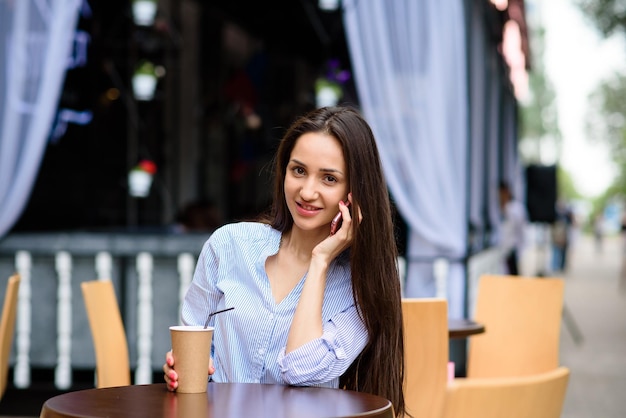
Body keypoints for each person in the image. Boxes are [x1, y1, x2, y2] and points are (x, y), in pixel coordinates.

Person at [162, 106, 407, 416]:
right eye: (299, 170)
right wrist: (179, 369)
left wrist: (320, 261)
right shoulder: (228, 246)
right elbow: (193, 340)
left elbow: (301, 369)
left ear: (355, 193)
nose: (307, 191)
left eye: (329, 179)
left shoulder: (363, 290)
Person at [498, 181, 528, 275]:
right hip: (506, 250)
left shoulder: (515, 209)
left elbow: (520, 230)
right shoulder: (505, 208)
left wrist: (519, 248)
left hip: (513, 249)